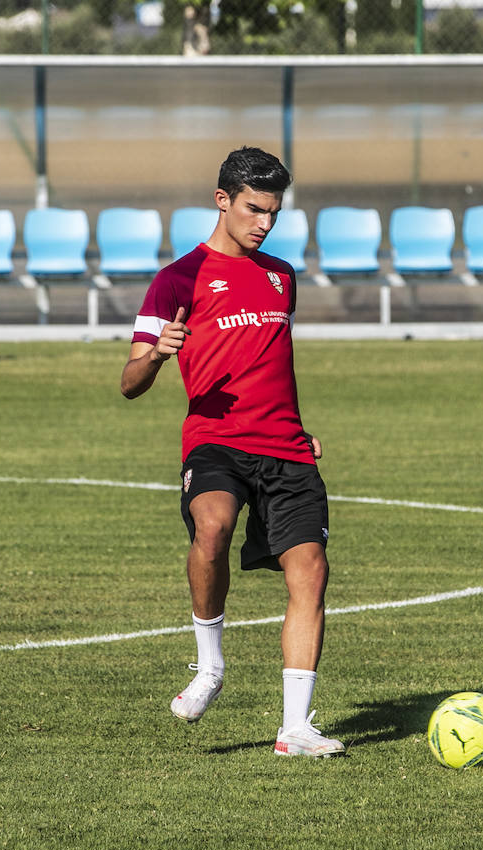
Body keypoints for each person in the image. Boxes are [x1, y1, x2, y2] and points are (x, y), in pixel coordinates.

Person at [120, 145, 344, 758]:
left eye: (272, 212)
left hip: (288, 447)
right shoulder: (177, 280)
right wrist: (157, 353)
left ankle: (295, 728)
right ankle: (210, 667)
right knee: (212, 527)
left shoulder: (282, 276)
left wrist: (301, 427)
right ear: (222, 200)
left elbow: (270, 364)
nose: (263, 223)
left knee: (311, 575)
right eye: (252, 209)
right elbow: (128, 383)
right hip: (216, 440)